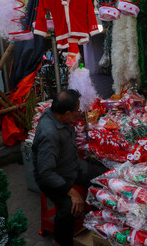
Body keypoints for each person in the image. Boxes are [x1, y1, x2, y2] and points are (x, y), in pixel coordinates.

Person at [32, 89, 107, 246]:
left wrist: (75, 117)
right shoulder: (50, 134)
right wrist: (71, 192)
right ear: (66, 113)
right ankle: (60, 241)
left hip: (71, 165)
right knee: (70, 207)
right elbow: (46, 172)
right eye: (75, 111)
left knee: (103, 176)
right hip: (53, 178)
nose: (78, 112)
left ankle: (101, 222)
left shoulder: (55, 113)